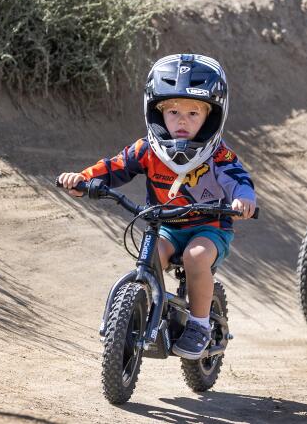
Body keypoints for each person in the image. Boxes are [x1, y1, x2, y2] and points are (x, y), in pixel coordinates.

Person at [57, 53, 256, 359]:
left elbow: (238, 180)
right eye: (173, 111)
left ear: (211, 116)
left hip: (209, 227)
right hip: (165, 226)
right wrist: (83, 179)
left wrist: (244, 200)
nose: (181, 121)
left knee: (195, 256)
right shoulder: (148, 149)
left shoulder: (218, 156)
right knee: (150, 257)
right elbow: (114, 167)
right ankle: (139, 312)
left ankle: (200, 325)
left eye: (193, 114)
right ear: (157, 112)